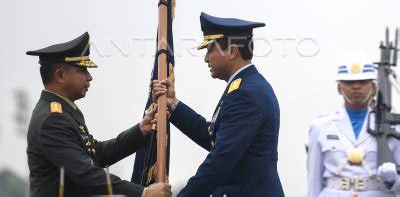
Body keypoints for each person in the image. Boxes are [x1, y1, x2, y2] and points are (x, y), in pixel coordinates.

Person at [153, 12, 284, 196]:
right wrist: (173, 104)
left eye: (210, 49)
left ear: (232, 51)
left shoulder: (245, 94)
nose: (206, 58)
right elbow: (213, 137)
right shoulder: (245, 87)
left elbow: (221, 159)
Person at [26, 32, 172, 197]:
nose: (89, 77)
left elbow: (96, 153)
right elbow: (85, 174)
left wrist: (141, 129)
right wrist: (143, 193)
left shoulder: (63, 112)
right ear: (60, 75)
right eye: (82, 70)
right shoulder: (52, 119)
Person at [307, 60, 400, 196]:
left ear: (373, 88)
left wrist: (393, 180)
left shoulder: (392, 126)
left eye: (363, 82)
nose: (356, 87)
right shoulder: (321, 126)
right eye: (349, 83)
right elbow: (313, 179)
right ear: (339, 88)